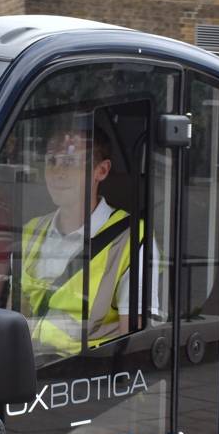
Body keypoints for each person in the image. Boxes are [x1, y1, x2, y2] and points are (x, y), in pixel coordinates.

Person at [18, 118, 140, 356]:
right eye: (51, 161)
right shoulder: (32, 230)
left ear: (101, 171)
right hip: (28, 370)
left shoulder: (131, 238)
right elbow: (18, 311)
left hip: (84, 380)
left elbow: (134, 344)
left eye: (70, 162)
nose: (57, 173)